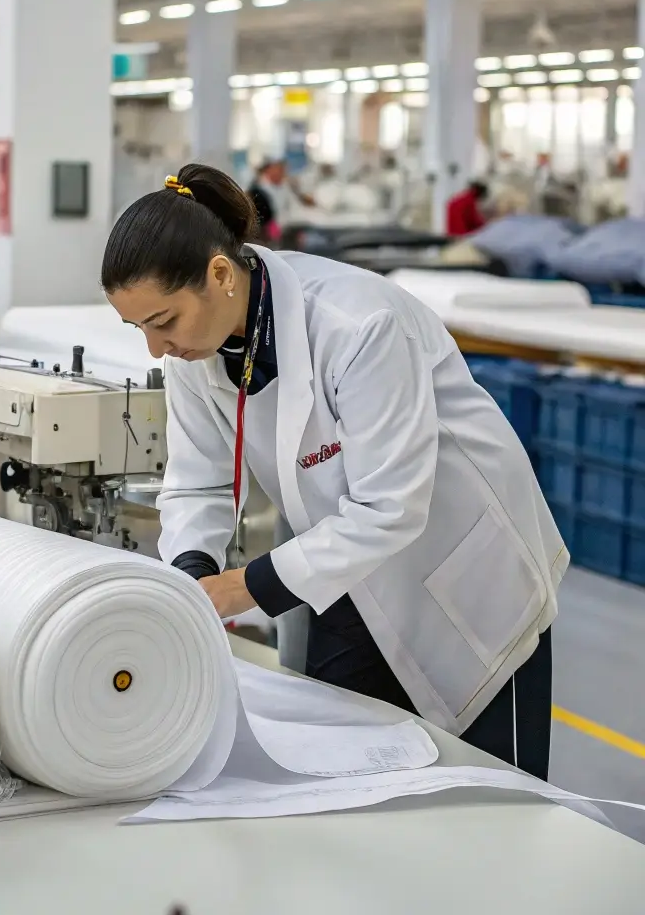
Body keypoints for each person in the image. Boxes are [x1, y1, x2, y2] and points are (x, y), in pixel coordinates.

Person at [100, 164, 566, 779]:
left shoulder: (358, 324)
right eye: (138, 328)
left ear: (220, 275)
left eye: (163, 322)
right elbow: (198, 482)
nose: (155, 348)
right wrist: (192, 577)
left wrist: (240, 588)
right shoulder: (195, 354)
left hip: (464, 578)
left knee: (493, 795)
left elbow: (389, 507)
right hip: (346, 573)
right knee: (341, 774)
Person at [247, 158, 314, 240]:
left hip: (288, 227)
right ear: (269, 170)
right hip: (268, 233)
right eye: (279, 169)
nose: (282, 173)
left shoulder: (285, 186)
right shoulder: (258, 189)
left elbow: (294, 207)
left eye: (283, 170)